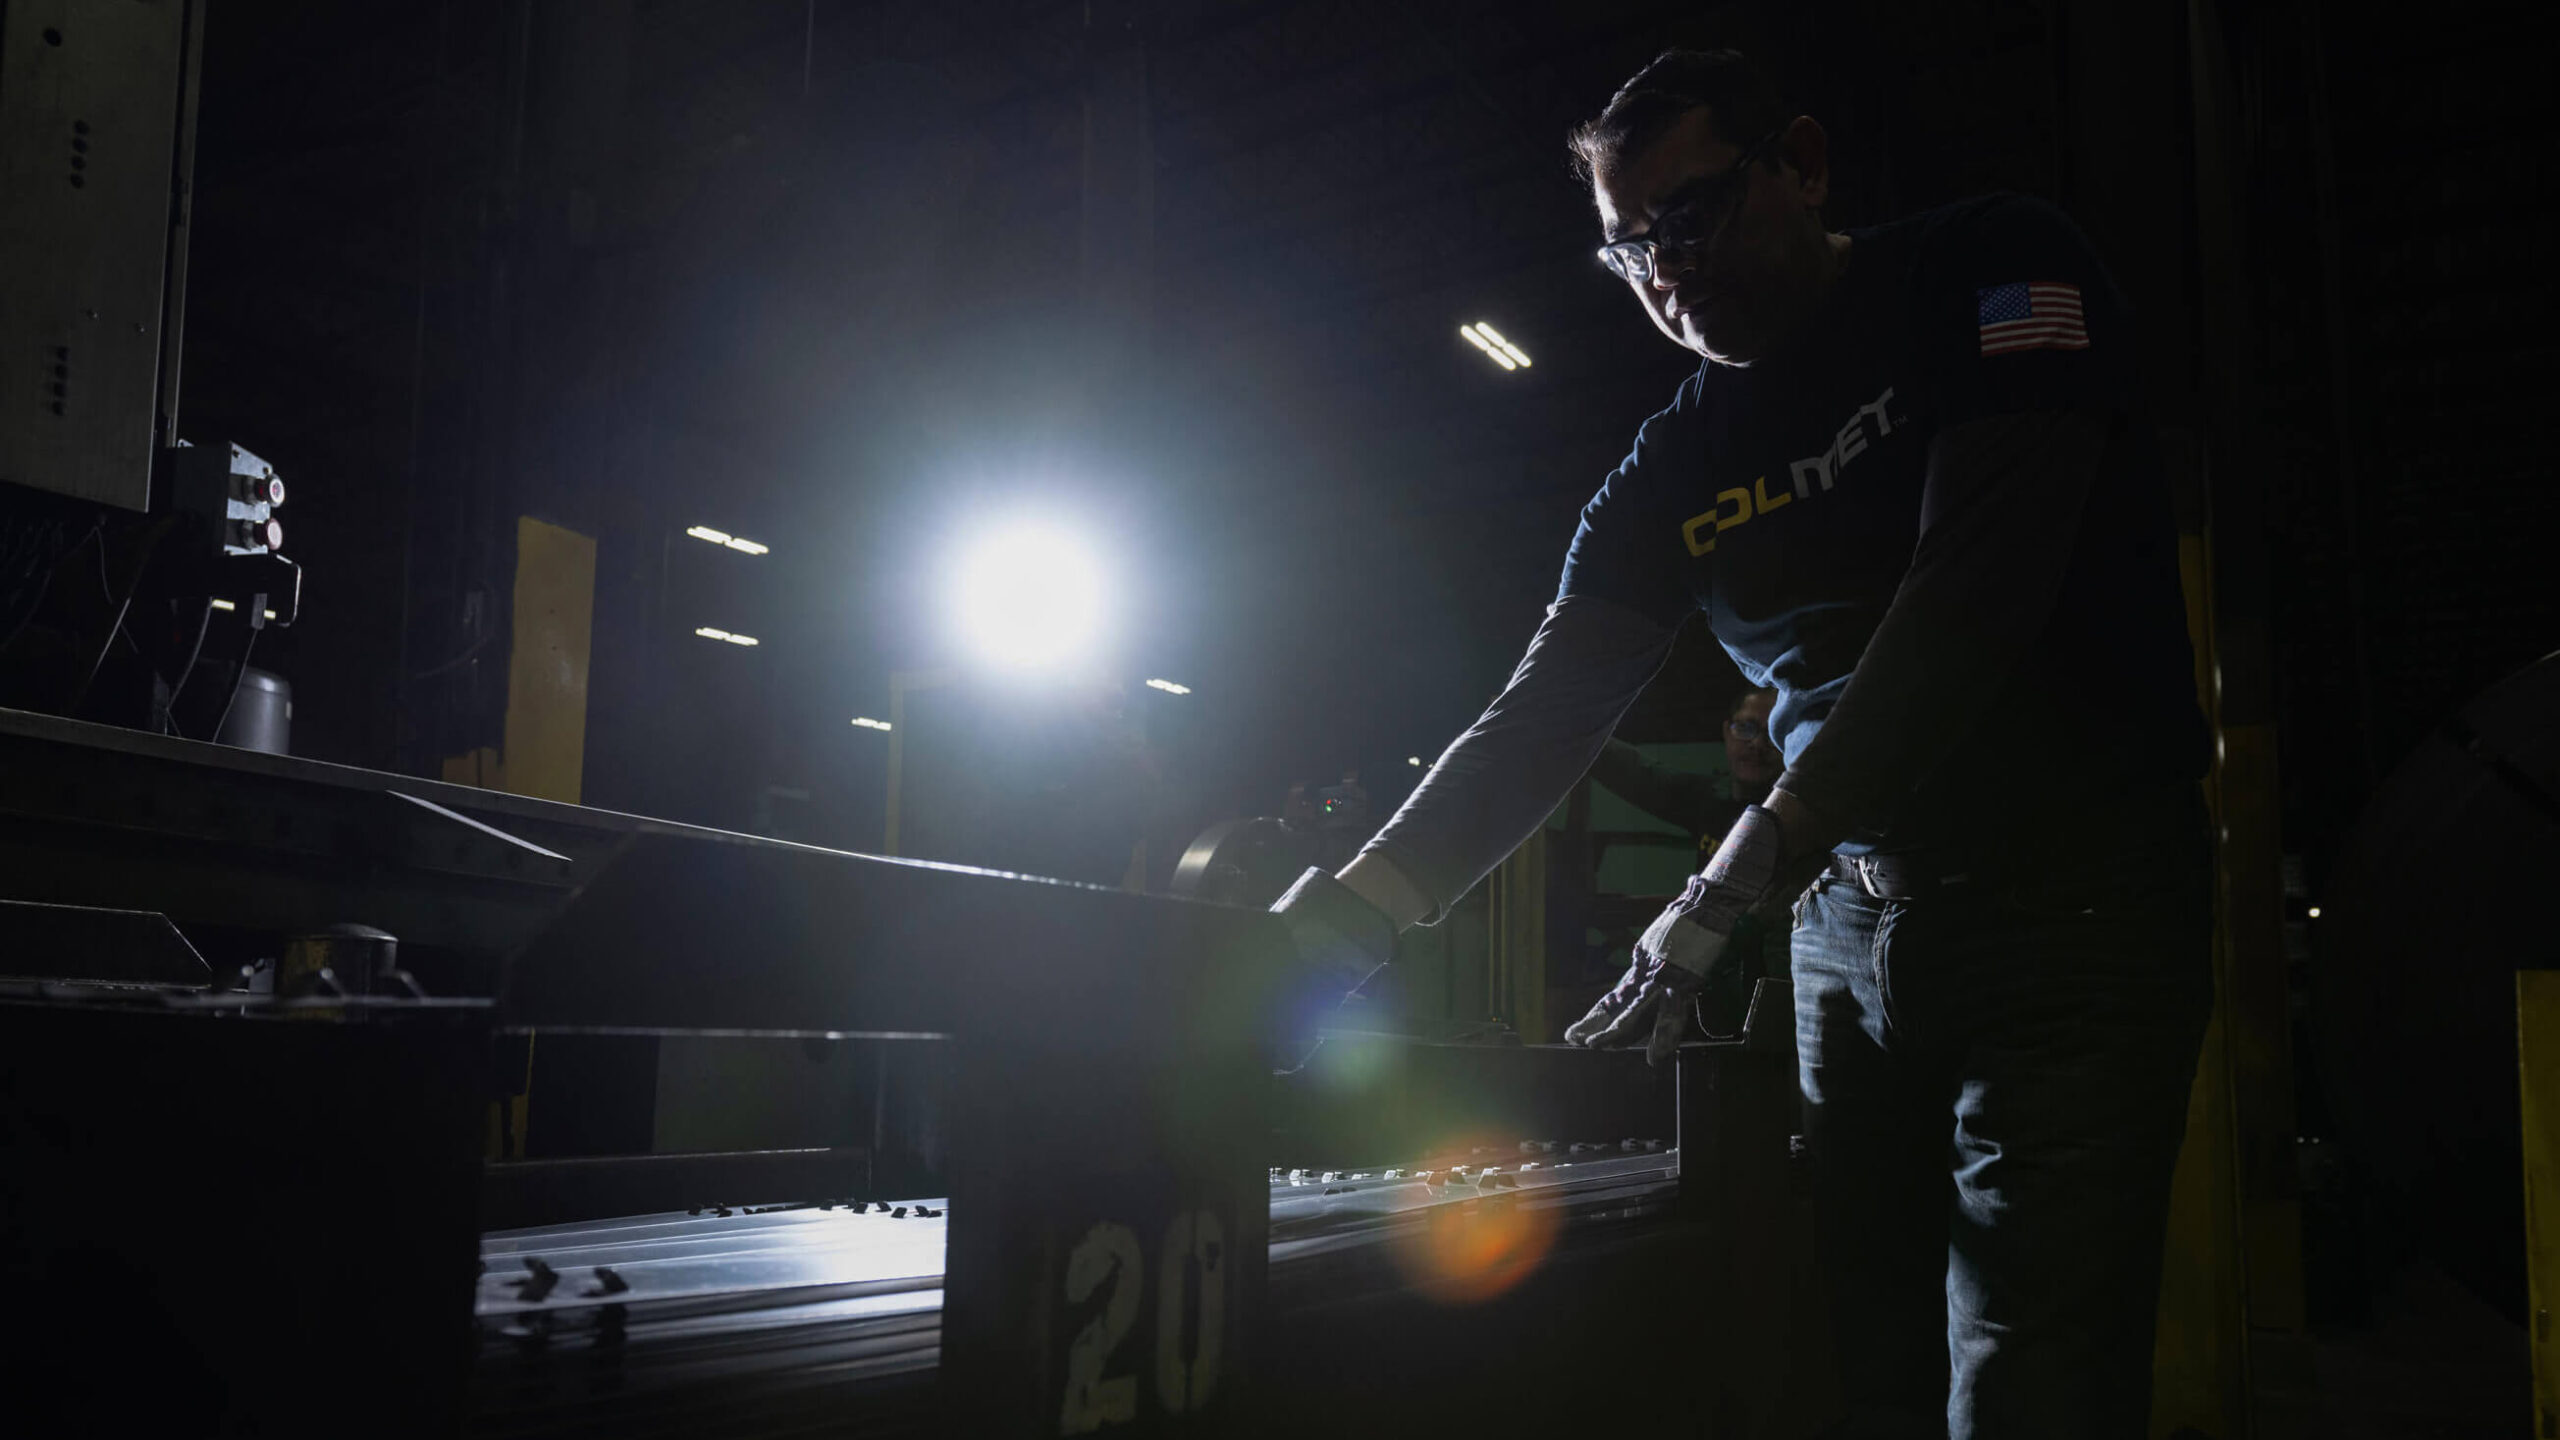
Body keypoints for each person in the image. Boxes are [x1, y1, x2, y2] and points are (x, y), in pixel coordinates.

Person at [1266, 47, 2211, 1440]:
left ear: (1803, 165)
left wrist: (1731, 877)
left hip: (2073, 905)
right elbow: (1541, 715)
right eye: (1627, 250)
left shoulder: (1987, 267)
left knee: (2031, 1366)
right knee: (1854, 1352)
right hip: (1848, 934)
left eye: (1688, 218)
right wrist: (1345, 920)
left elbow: (1975, 591)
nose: (1665, 274)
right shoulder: (1671, 467)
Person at [1585, 687, 1783, 1035]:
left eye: (1772, 732)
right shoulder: (1710, 801)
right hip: (1704, 975)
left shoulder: (1801, 819)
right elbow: (1637, 772)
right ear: (1726, 731)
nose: (1757, 744)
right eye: (1746, 728)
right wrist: (1566, 721)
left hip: (1776, 979)